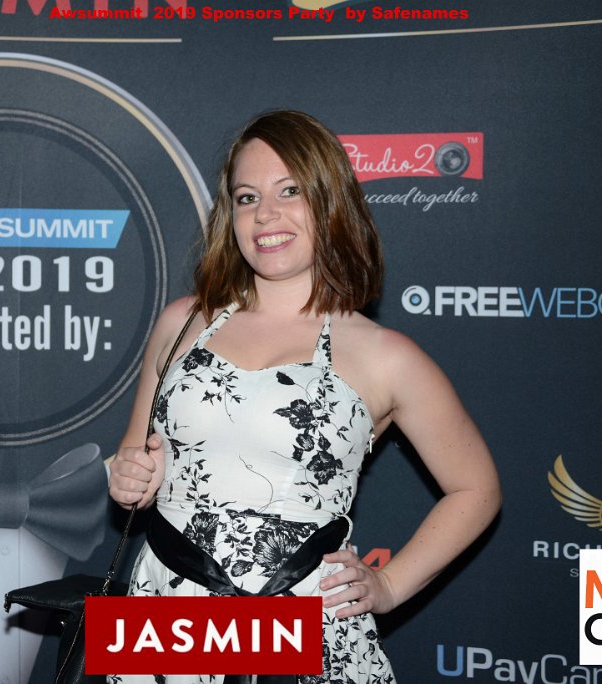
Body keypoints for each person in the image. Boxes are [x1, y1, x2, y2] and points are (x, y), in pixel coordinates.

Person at [108, 110, 501, 683]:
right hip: (168, 615)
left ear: (329, 201)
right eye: (246, 197)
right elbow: (133, 461)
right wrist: (127, 480)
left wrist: (390, 585)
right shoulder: (182, 322)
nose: (265, 214)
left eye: (289, 191)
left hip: (303, 623)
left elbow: (477, 489)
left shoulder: (385, 355)